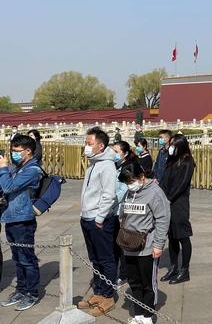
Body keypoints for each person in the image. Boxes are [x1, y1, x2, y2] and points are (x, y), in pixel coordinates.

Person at [118, 163, 170, 324]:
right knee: (134, 281)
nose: (130, 185)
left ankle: (148, 315)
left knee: (147, 282)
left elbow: (163, 218)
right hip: (129, 244)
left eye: (132, 181)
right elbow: (123, 213)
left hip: (147, 246)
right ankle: (138, 313)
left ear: (142, 177)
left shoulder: (155, 192)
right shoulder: (129, 192)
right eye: (127, 183)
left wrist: (158, 244)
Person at [77, 127, 118, 317]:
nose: (86, 146)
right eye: (86, 143)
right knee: (94, 259)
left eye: (89, 143)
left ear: (100, 146)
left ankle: (108, 296)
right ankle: (99, 291)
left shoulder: (107, 165)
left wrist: (100, 218)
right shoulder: (93, 164)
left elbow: (109, 195)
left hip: (99, 220)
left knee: (106, 258)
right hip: (87, 217)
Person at [0, 135, 43, 311]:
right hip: (11, 218)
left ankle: (31, 293)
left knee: (27, 259)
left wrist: (3, 169)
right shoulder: (19, 167)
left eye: (17, 151)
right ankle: (21, 289)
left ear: (28, 151)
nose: (13, 154)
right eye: (12, 150)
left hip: (23, 220)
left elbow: (8, 187)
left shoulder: (32, 170)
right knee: (18, 259)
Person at [159, 134, 195, 284]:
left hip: (178, 203)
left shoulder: (187, 161)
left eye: (173, 144)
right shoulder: (171, 160)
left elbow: (182, 184)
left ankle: (185, 270)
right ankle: (173, 266)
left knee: (182, 236)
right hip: (167, 202)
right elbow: (164, 180)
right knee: (172, 236)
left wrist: (169, 198)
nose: (170, 146)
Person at [111, 141, 138, 287]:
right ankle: (117, 272)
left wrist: (109, 202)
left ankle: (124, 273)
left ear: (125, 153)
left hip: (120, 210)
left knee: (122, 244)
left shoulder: (127, 168)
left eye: (116, 151)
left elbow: (123, 191)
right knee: (115, 244)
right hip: (112, 210)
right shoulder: (114, 166)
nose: (114, 154)